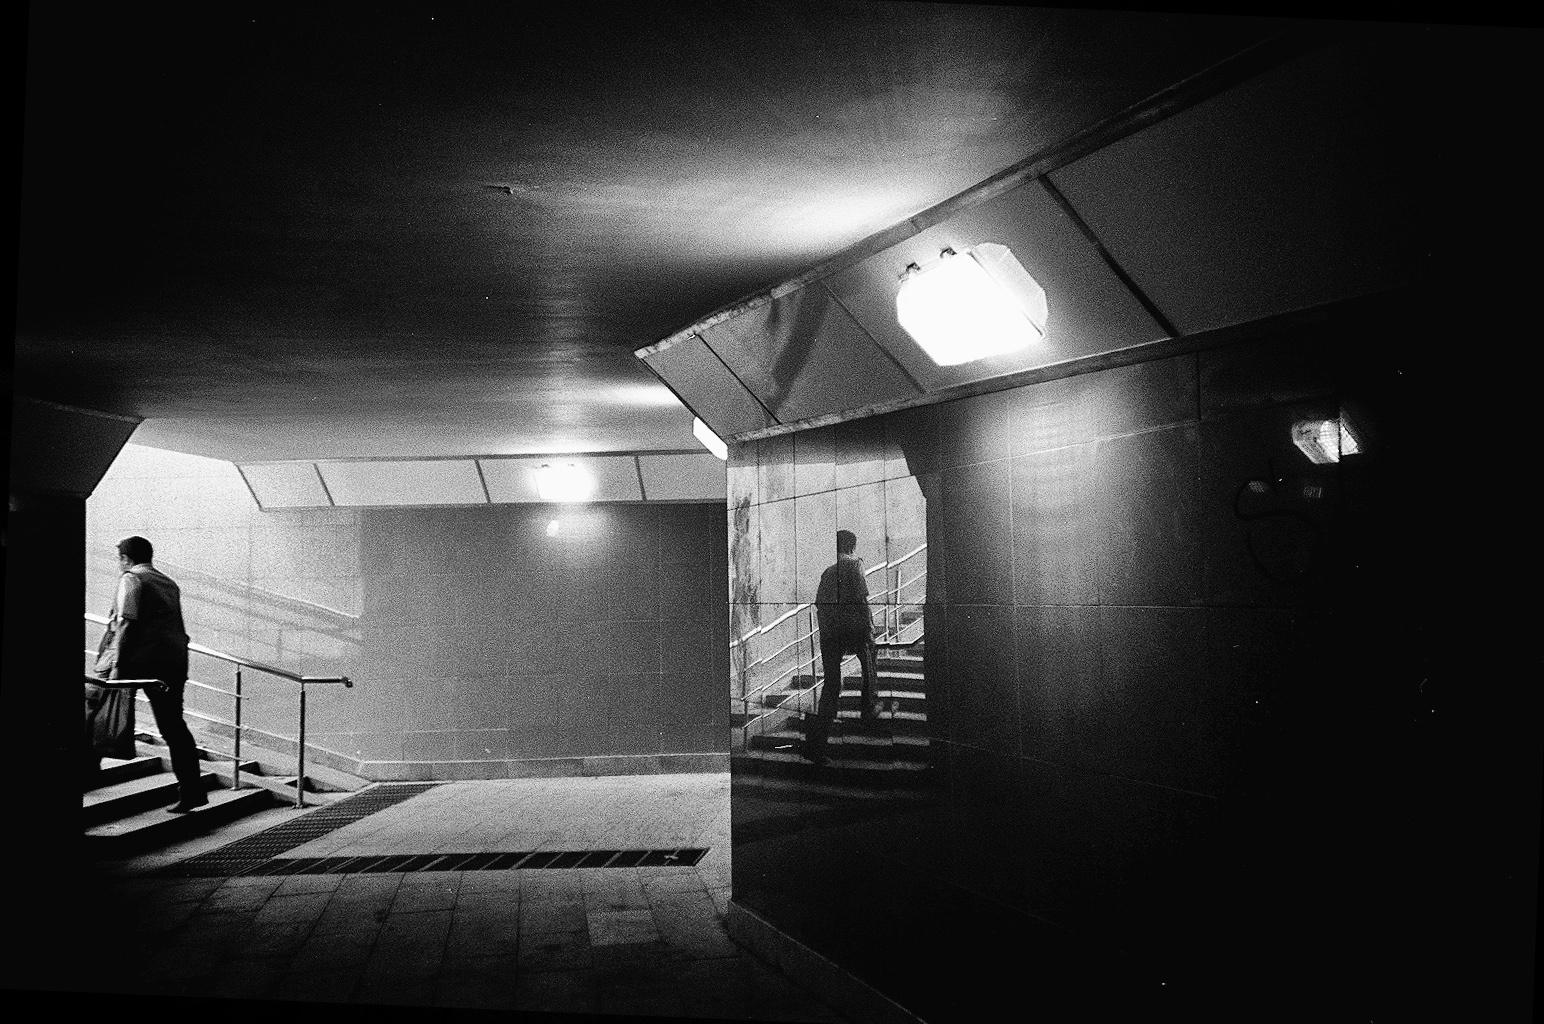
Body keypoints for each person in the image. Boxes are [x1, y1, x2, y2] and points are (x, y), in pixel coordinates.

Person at [96, 536, 207, 812]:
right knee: (173, 727)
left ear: (126, 559)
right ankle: (192, 790)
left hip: (141, 661)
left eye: (120, 559)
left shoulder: (131, 579)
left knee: (96, 704)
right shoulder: (168, 582)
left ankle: (87, 768)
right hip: (174, 662)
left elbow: (125, 622)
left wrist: (117, 664)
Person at [805, 529, 880, 764]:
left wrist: (828, 633)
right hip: (854, 630)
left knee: (831, 686)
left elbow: (819, 604)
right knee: (870, 661)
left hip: (830, 635)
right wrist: (868, 628)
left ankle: (817, 746)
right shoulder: (856, 565)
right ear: (852, 547)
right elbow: (862, 599)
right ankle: (868, 710)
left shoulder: (827, 572)